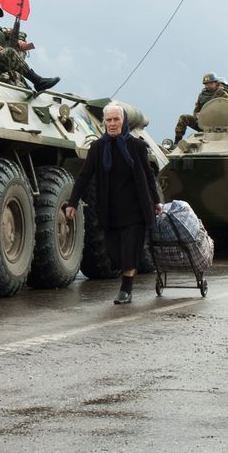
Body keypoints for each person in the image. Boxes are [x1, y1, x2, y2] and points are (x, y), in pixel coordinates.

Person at [65, 105, 162, 305]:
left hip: (135, 209)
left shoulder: (137, 146)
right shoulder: (98, 148)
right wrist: (72, 202)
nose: (112, 124)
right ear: (104, 123)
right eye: (108, 120)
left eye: (116, 120)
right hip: (110, 209)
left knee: (128, 252)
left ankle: (126, 290)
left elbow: (148, 176)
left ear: (124, 121)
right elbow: (84, 177)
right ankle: (125, 276)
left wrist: (156, 201)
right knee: (114, 254)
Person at [174, 72, 228, 144]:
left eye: (210, 83)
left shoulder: (222, 93)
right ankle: (177, 143)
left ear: (215, 83)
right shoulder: (202, 95)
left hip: (222, 124)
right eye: (206, 84)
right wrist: (197, 115)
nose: (208, 86)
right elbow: (196, 110)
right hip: (204, 124)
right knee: (184, 118)